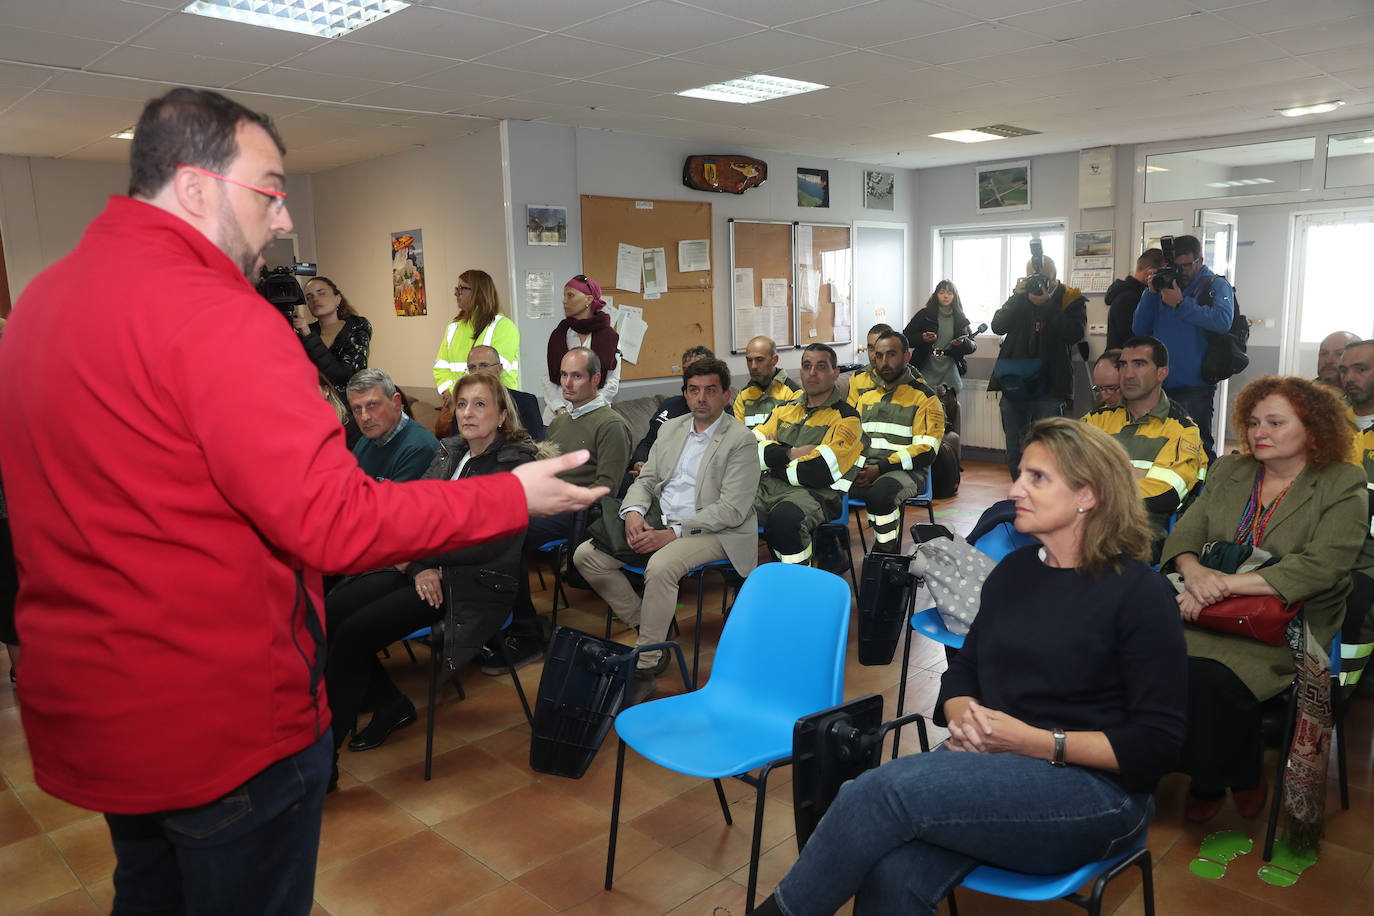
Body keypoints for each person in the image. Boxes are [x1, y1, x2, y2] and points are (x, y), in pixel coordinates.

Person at [0, 87, 604, 915]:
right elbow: (337, 520)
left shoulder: (41, 307)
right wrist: (507, 496)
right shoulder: (218, 317)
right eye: (271, 191)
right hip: (218, 715)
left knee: (150, 892)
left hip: (101, 705)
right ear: (198, 187)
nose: (284, 221)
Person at [752, 419, 1187, 916]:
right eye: (1021, 473)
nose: (1014, 488)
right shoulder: (1014, 575)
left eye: (1037, 478)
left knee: (879, 794)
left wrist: (1029, 741)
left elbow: (1158, 745)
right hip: (997, 764)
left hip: (1099, 795)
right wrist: (966, 719)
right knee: (892, 870)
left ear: (1088, 496)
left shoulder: (1140, 595)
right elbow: (962, 674)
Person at [1160, 376, 1365, 825]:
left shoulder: (1342, 483)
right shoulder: (1230, 470)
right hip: (1204, 601)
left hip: (1286, 621)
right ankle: (1221, 769)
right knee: (1151, 658)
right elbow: (1186, 535)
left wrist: (1221, 586)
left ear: (1312, 429)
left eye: (1275, 422)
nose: (1259, 433)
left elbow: (1321, 567)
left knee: (1210, 676)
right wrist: (1195, 575)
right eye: (1253, 422)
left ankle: (1217, 780)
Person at [325, 372, 541, 763]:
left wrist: (423, 561)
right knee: (329, 614)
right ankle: (387, 702)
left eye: (480, 404)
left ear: (502, 415)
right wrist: (419, 566)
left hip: (471, 582)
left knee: (355, 634)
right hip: (425, 571)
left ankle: (325, 761)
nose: (468, 414)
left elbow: (488, 541)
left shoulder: (514, 466)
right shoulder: (450, 451)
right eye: (461, 405)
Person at [573, 358, 759, 706]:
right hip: (661, 520)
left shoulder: (741, 441)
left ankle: (645, 666)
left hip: (717, 531)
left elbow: (731, 509)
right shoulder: (672, 428)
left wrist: (672, 534)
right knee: (586, 556)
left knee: (660, 566)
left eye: (710, 390)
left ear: (726, 395)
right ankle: (652, 632)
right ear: (685, 394)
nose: (701, 398)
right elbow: (646, 480)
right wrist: (632, 514)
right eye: (694, 390)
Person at [496, 347, 633, 671]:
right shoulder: (559, 423)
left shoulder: (611, 424)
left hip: (580, 513)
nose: (567, 384)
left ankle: (526, 631)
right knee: (492, 525)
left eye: (576, 376)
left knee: (510, 535)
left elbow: (606, 491)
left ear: (596, 379)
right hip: (549, 505)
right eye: (563, 376)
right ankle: (496, 623)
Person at [1082, 337, 1207, 561]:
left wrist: (1098, 482)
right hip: (1085, 517)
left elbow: (1165, 495)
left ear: (1161, 374)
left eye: (1139, 364)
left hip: (1142, 531)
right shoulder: (1097, 419)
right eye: (1123, 365)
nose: (1128, 374)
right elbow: (1060, 468)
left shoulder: (1183, 429)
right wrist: (1134, 475)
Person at [753, 343, 863, 565]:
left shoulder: (847, 419)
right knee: (725, 507)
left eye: (821, 366)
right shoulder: (783, 410)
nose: (812, 373)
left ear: (835, 374)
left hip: (818, 495)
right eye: (807, 366)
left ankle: (798, 586)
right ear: (801, 372)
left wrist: (772, 459)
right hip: (768, 489)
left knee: (784, 520)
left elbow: (818, 471)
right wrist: (791, 453)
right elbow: (747, 450)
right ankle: (744, 588)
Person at [1131, 235, 1234, 460]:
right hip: (1160, 383)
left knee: (1197, 446)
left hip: (1195, 385)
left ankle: (1203, 495)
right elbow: (1139, 328)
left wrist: (1180, 303)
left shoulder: (1215, 284)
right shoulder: (1165, 283)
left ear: (1200, 260)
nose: (1182, 271)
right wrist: (1150, 293)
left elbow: (1222, 322)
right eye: (1177, 266)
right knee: (1161, 445)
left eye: (1187, 265)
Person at [990, 254, 1087, 479]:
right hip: (1015, 384)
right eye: (1033, 277)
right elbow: (998, 326)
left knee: (1049, 448)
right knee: (1015, 449)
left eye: (1043, 278)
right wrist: (1016, 296)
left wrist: (1048, 305)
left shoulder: (1070, 299)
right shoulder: (1020, 298)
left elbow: (1074, 333)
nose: (1038, 283)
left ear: (1054, 279)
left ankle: (1048, 496)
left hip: (1051, 386)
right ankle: (1020, 491)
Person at [850, 331, 946, 553]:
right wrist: (855, 468)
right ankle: (830, 553)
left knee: (881, 494)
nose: (884, 362)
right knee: (820, 485)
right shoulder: (866, 398)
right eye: (879, 355)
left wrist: (881, 468)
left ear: (906, 357)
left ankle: (886, 554)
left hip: (908, 472)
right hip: (867, 470)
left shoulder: (925, 398)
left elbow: (927, 452)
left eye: (891, 355)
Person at [1338, 340, 1374, 693]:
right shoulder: (1328, 421)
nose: (1350, 377)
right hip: (1323, 541)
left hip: (1369, 553)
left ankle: (1337, 693)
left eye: (1361, 369)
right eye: (1345, 370)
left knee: (1357, 598)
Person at [627, 345, 715, 480]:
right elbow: (648, 442)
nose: (688, 375)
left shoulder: (718, 410)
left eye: (694, 369)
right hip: (652, 474)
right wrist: (639, 463)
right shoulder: (670, 405)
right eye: (685, 369)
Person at [432, 268, 521, 401]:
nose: (456, 293)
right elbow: (441, 367)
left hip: (497, 403)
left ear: (478, 292)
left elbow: (490, 372)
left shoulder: (503, 326)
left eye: (461, 288)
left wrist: (458, 395)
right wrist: (451, 394)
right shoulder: (453, 327)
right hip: (460, 403)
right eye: (456, 288)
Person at [543, 274, 620, 421]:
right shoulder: (559, 335)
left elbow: (612, 381)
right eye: (564, 296)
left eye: (570, 295)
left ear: (589, 299)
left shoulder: (609, 336)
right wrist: (560, 409)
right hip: (556, 417)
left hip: (595, 417)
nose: (564, 301)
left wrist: (588, 409)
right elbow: (548, 377)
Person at [347, 368, 440, 482]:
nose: (364, 417)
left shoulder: (421, 448)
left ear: (396, 403)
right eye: (357, 408)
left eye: (372, 405)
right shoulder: (364, 442)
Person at [293, 275, 371, 401]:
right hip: (313, 403)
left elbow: (344, 375)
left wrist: (308, 335)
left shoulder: (356, 328)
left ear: (337, 299)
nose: (315, 299)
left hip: (348, 406)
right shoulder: (305, 333)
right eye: (309, 297)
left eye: (321, 293)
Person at [904, 281, 977, 398]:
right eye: (942, 292)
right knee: (926, 410)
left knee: (950, 410)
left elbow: (973, 346)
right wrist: (921, 338)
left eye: (949, 293)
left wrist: (963, 342)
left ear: (954, 296)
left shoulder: (960, 318)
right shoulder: (924, 315)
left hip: (950, 369)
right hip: (925, 366)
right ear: (936, 295)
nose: (946, 296)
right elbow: (905, 338)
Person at [467, 344, 543, 440]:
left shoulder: (525, 402)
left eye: (484, 366)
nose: (477, 372)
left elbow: (536, 445)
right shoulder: (463, 406)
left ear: (499, 369)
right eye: (472, 367)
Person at [733, 335, 796, 430]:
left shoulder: (793, 394)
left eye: (759, 360)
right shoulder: (742, 397)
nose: (753, 366)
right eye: (749, 360)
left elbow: (789, 435)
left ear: (774, 360)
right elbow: (739, 436)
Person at [1104, 249, 1163, 350]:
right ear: (1149, 272)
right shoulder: (1128, 298)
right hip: (1125, 360)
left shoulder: (1134, 294)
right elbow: (1132, 339)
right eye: (1162, 273)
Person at [847, 322, 893, 409]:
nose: (874, 354)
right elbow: (851, 415)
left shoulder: (910, 378)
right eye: (871, 348)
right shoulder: (858, 378)